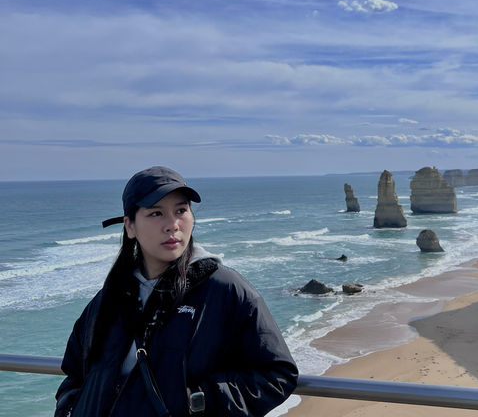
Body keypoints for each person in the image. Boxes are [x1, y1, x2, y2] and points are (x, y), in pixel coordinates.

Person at [55, 166, 298, 417]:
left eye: (181, 211)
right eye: (156, 213)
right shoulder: (111, 297)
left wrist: (197, 399)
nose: (172, 225)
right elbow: (75, 372)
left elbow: (277, 375)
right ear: (130, 226)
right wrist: (71, 408)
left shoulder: (225, 290)